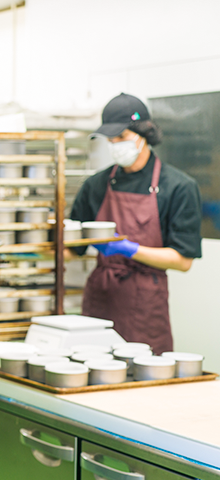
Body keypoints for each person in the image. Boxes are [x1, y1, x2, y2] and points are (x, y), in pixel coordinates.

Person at [69, 93, 202, 354]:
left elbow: (183, 261)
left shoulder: (178, 186)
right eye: (111, 139)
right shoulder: (96, 185)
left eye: (122, 137)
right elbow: (74, 247)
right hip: (101, 299)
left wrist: (128, 249)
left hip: (145, 305)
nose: (115, 144)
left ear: (144, 134)